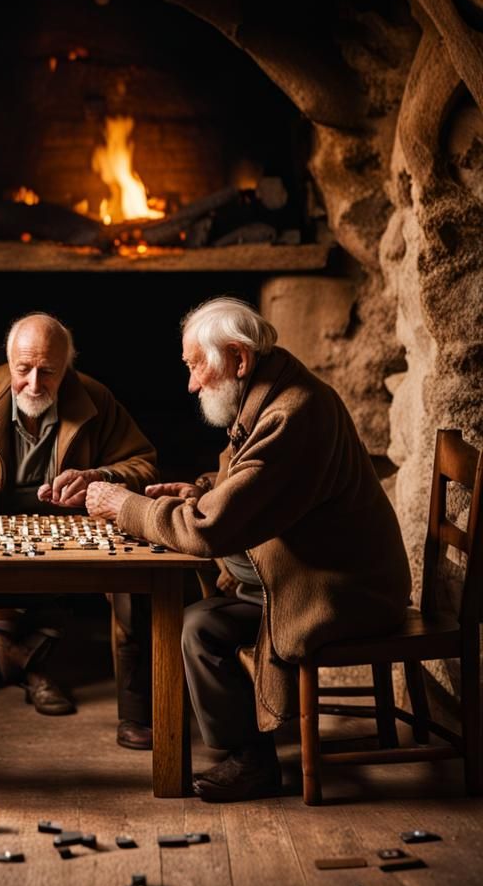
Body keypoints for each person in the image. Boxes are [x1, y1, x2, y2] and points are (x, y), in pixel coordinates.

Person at [86, 297, 411, 801]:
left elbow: (209, 532)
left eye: (197, 366)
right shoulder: (270, 390)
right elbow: (246, 485)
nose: (191, 384)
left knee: (199, 627)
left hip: (342, 592)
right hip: (303, 576)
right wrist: (200, 491)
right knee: (197, 619)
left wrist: (123, 505)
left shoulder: (293, 413)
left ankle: (251, 762)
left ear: (239, 358)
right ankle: (243, 747)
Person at [0, 313, 159, 749]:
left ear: (67, 366)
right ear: (8, 361)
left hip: (73, 527)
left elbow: (143, 464)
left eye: (47, 371)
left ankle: (136, 712)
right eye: (23, 369)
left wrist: (99, 477)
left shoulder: (95, 397)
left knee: (136, 582)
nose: (33, 384)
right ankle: (26, 662)